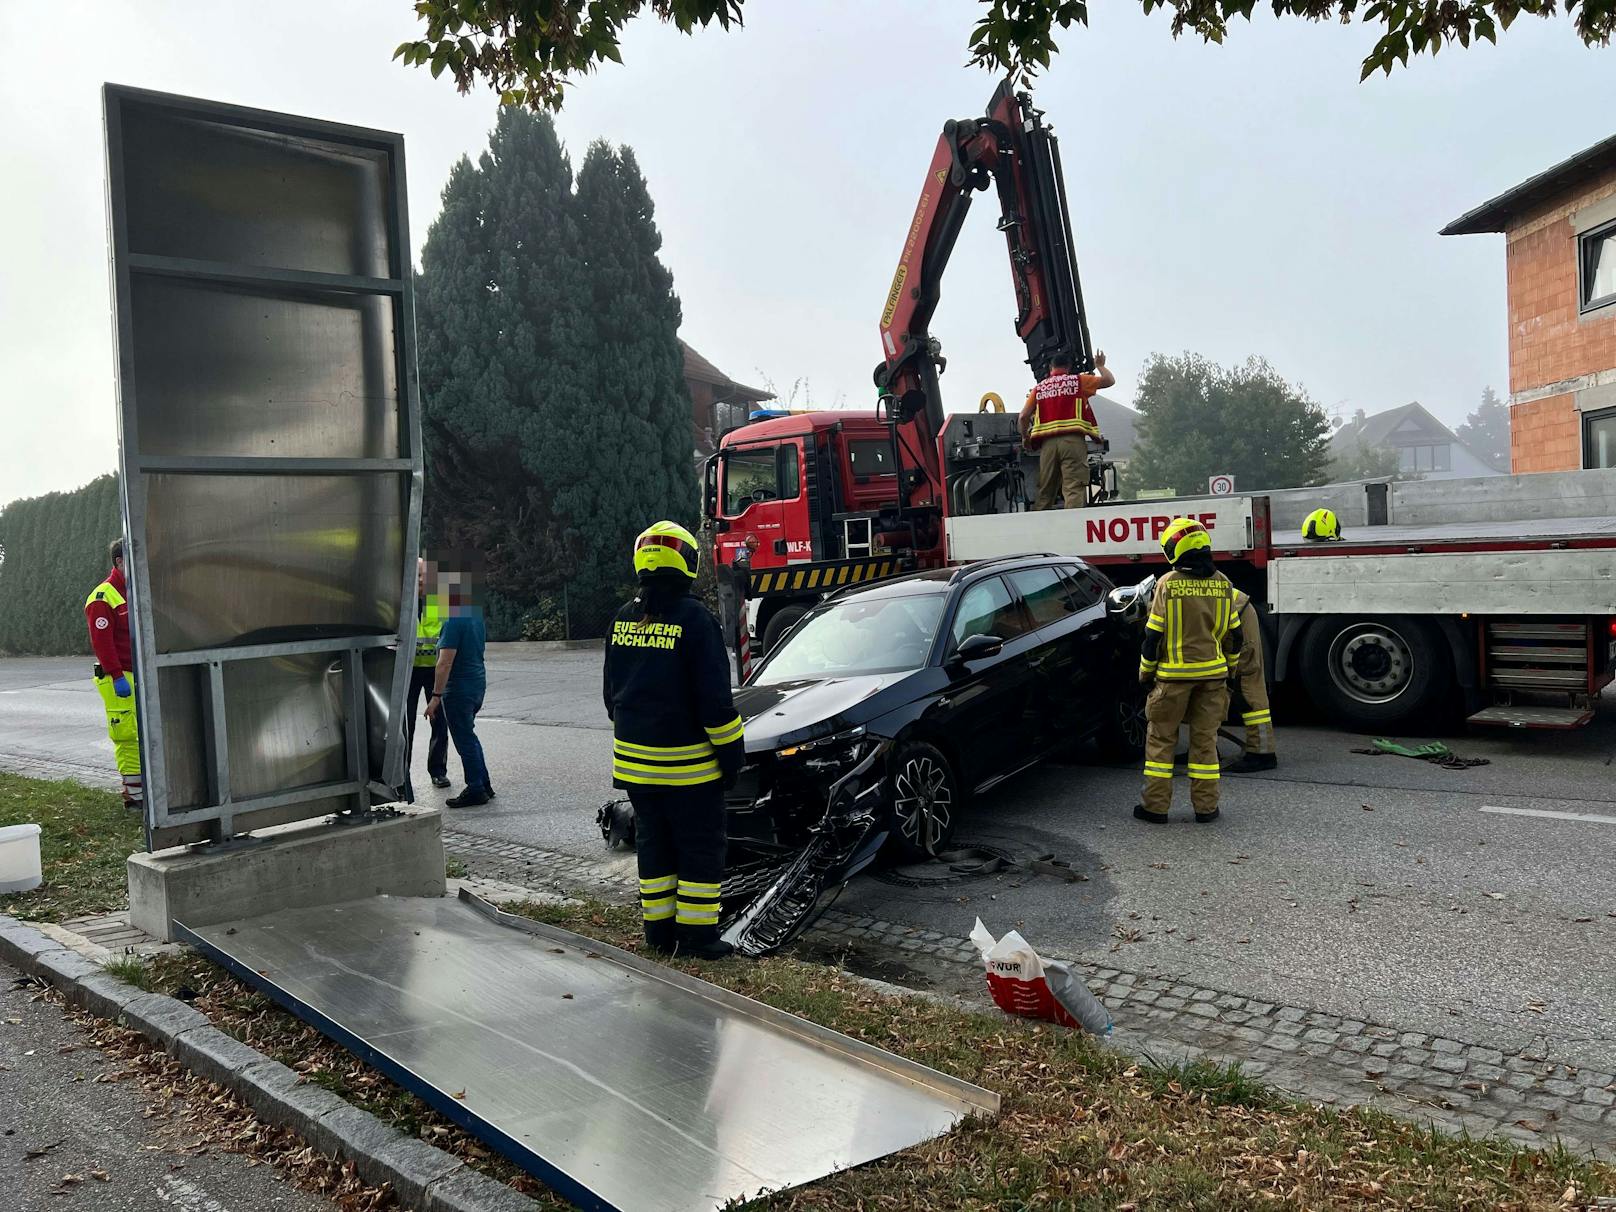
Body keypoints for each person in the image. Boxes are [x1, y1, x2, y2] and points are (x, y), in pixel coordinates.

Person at [603, 520, 745, 960]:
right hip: (689, 769)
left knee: (653, 843)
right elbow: (716, 704)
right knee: (700, 848)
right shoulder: (696, 621)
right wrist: (732, 756)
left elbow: (611, 694)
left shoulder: (623, 618)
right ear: (687, 564)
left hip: (634, 767)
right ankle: (699, 938)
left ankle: (659, 933)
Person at [1136, 518, 1243, 824]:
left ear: (1174, 550)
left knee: (1160, 742)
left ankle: (1155, 809)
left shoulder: (1167, 583)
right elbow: (1236, 637)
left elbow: (1152, 637)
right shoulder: (1224, 583)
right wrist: (1230, 672)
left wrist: (1145, 674)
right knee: (1205, 743)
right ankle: (1206, 809)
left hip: (1173, 680)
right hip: (1213, 679)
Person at [424, 561, 493, 808]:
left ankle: (476, 787)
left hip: (459, 688)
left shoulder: (454, 620)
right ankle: (484, 783)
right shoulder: (473, 614)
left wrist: (435, 696)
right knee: (469, 735)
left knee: (464, 738)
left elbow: (444, 663)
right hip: (476, 683)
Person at [1017, 350, 1115, 510]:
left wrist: (1025, 438)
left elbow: (1023, 417)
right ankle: (1073, 530)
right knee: (1073, 488)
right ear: (1068, 367)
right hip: (1073, 443)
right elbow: (1109, 380)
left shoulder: (1039, 388)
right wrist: (1100, 366)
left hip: (1048, 446)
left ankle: (1040, 529)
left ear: (1051, 368)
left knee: (1045, 490)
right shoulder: (1079, 381)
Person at [85, 539, 142, 811]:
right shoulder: (103, 597)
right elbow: (103, 644)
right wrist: (117, 676)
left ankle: (145, 792)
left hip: (139, 674)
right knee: (128, 736)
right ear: (120, 561)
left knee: (144, 735)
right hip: (120, 678)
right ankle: (134, 798)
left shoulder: (134, 590)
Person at [406, 558, 450, 793]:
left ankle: (438, 771)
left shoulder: (441, 602)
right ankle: (402, 774)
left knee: (440, 722)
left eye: (423, 575)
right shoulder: (401, 603)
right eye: (415, 576)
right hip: (408, 671)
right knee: (405, 724)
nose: (420, 580)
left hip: (434, 670)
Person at [1223, 588, 1277, 773]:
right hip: (1230, 614)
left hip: (1238, 615)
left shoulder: (1164, 592)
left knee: (1247, 683)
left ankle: (1262, 753)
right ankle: (1202, 748)